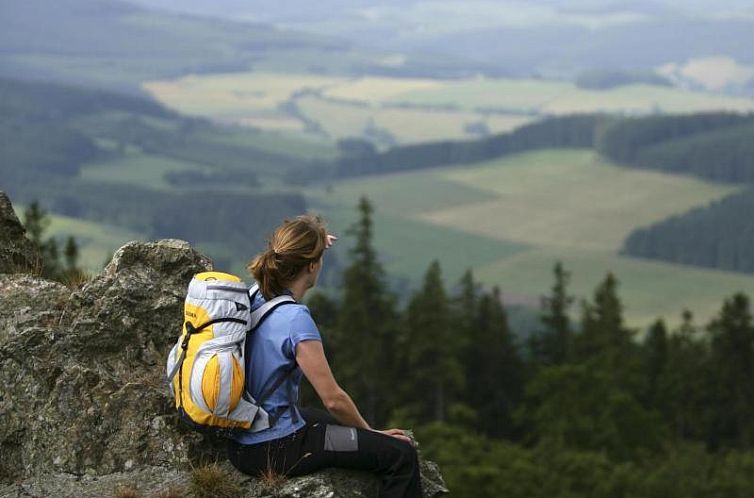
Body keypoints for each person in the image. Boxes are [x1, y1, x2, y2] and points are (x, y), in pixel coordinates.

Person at [227, 215, 422, 498]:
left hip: (241, 441)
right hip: (277, 449)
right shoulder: (296, 319)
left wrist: (314, 243)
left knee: (324, 420)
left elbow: (291, 256)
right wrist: (372, 434)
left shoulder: (256, 293)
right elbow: (334, 399)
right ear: (311, 266)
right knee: (401, 455)